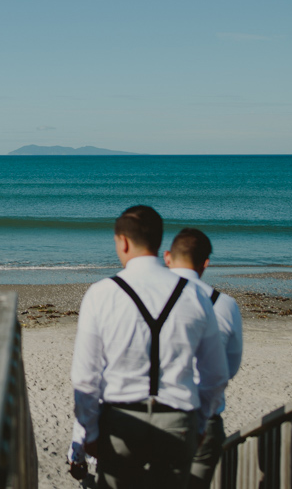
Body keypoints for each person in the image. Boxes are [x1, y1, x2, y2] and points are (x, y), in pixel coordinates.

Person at [69, 206, 229, 489]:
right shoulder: (194, 294)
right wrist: (201, 424)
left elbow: (85, 377)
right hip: (178, 420)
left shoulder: (101, 293)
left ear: (123, 241)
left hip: (120, 420)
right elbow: (215, 374)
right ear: (159, 242)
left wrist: (89, 432)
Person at [164, 228, 244, 489]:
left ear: (167, 257)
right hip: (204, 415)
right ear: (206, 262)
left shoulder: (147, 297)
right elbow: (227, 369)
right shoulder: (225, 304)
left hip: (156, 412)